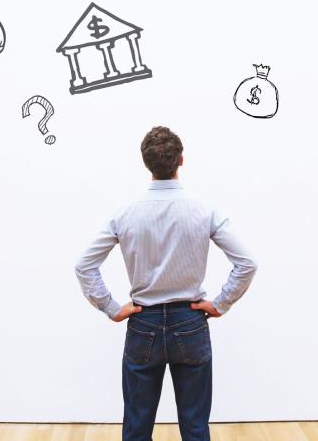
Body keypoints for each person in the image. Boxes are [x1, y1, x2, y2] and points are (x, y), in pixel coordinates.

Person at [74, 126, 258, 441]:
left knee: (136, 426)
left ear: (146, 163)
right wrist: (221, 303)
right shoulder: (204, 209)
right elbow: (246, 262)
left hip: (143, 322)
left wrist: (112, 308)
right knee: (196, 426)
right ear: (181, 161)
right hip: (190, 321)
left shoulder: (125, 213)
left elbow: (84, 265)